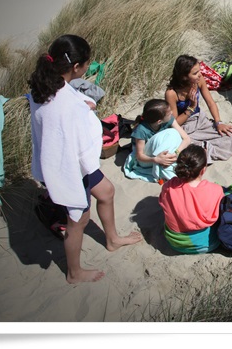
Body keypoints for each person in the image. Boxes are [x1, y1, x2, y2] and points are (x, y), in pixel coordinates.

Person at [28, 34, 141, 284]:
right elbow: (84, 138)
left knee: (107, 192)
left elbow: (63, 102)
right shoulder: (65, 102)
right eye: (87, 63)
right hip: (69, 167)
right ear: (77, 66)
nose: (89, 67)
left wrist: (82, 103)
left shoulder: (42, 85)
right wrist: (85, 112)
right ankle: (74, 272)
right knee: (78, 220)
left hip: (62, 160)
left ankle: (111, 240)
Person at [165, 54, 232, 163]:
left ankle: (206, 150)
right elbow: (174, 123)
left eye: (199, 71)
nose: (200, 75)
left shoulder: (199, 81)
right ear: (184, 76)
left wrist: (218, 123)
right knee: (183, 145)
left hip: (200, 121)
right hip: (185, 127)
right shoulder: (171, 93)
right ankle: (210, 150)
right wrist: (191, 108)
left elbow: (210, 102)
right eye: (195, 73)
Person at [158, 145, 224, 254]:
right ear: (203, 170)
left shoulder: (168, 186)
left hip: (174, 242)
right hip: (206, 244)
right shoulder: (215, 190)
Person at [123, 99, 191, 182]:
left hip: (163, 152)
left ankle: (169, 164)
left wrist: (175, 153)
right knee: (172, 133)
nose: (172, 113)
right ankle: (174, 178)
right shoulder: (141, 130)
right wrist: (156, 159)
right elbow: (139, 156)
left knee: (175, 135)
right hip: (147, 159)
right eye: (169, 112)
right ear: (159, 121)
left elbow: (186, 139)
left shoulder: (169, 119)